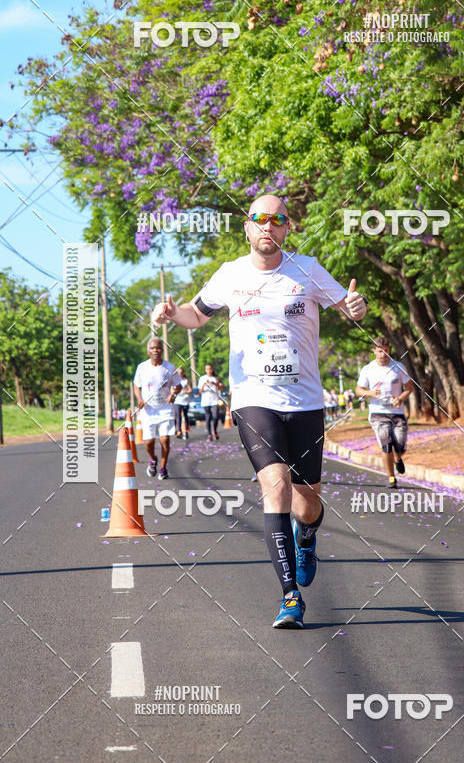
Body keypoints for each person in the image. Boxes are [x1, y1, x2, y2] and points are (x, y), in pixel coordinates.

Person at [152, 194, 367, 628]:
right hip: (253, 399)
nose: (268, 226)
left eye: (277, 220)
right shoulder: (230, 275)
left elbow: (346, 305)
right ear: (247, 229)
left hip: (306, 401)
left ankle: (306, 537)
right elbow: (198, 313)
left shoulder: (306, 269)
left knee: (307, 503)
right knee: (275, 485)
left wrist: (355, 306)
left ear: (287, 229)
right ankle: (290, 597)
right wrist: (174, 314)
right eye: (259, 220)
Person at [355, 336, 414, 488]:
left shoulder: (398, 367)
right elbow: (358, 390)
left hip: (397, 412)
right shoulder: (368, 369)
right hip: (377, 413)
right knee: (386, 444)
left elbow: (409, 387)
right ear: (374, 351)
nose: (383, 355)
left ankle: (397, 458)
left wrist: (400, 398)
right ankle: (391, 478)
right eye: (380, 351)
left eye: (386, 351)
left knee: (400, 444)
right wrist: (369, 393)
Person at [133, 338, 183, 480]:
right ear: (148, 351)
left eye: (158, 348)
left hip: (165, 409)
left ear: (162, 350)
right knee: (149, 442)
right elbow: (137, 386)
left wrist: (173, 394)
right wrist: (139, 399)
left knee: (164, 439)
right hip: (148, 410)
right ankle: (152, 458)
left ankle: (163, 467)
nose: (156, 350)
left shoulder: (169, 367)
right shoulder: (142, 367)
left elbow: (178, 385)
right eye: (153, 348)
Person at [197, 364, 224, 441]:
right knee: (208, 417)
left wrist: (214, 383)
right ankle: (209, 434)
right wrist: (204, 384)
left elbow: (221, 388)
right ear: (205, 370)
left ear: (212, 370)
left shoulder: (216, 378)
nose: (209, 370)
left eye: (210, 369)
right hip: (206, 401)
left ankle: (214, 431)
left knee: (215, 416)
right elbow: (200, 391)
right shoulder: (202, 378)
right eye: (207, 369)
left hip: (214, 400)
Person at [174, 367, 192, 439]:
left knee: (185, 415)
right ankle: (179, 431)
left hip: (185, 401)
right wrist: (175, 392)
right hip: (177, 401)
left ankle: (186, 430)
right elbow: (172, 389)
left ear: (183, 373)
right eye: (178, 373)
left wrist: (185, 392)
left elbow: (190, 390)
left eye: (181, 373)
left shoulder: (186, 380)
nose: (180, 374)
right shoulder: (174, 381)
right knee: (178, 416)